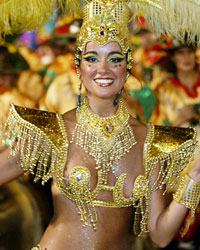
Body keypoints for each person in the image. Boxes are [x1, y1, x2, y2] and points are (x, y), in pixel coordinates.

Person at [1, 1, 200, 250]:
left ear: (127, 67)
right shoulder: (55, 131)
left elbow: (160, 234)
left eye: (114, 59)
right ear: (79, 66)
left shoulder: (150, 143)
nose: (102, 69)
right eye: (92, 58)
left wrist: (195, 178)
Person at [151, 42, 200, 127]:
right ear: (173, 57)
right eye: (180, 52)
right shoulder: (165, 88)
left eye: (190, 52)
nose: (186, 57)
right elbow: (158, 130)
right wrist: (180, 119)